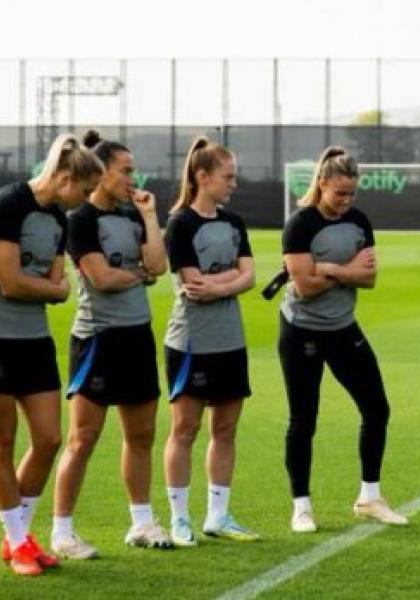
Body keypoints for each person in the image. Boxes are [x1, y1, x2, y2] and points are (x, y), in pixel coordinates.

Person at [0, 133, 101, 575]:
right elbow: (12, 284)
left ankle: (18, 536)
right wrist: (38, 284)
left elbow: (60, 288)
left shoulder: (58, 220)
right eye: (82, 191)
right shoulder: (8, 204)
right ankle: (17, 540)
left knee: (48, 439)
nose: (83, 201)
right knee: (2, 442)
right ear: (65, 177)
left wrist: (36, 283)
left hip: (34, 339)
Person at [50, 130, 172, 558]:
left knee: (141, 435)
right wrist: (139, 273)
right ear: (101, 173)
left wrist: (151, 217)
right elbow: (102, 280)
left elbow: (159, 264)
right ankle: (62, 532)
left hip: (137, 335)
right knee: (83, 438)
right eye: (126, 170)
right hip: (97, 340)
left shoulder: (134, 213)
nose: (133, 177)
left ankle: (142, 522)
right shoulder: (81, 219)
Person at [279, 146, 405, 533]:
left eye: (352, 193)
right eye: (339, 193)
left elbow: (369, 278)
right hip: (301, 331)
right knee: (304, 419)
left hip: (342, 327)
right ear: (322, 184)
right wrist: (342, 268)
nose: (346, 201)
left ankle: (370, 496)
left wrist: (331, 268)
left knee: (377, 409)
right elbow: (304, 285)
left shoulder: (359, 222)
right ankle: (301, 506)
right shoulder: (300, 224)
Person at [161, 136, 259, 546]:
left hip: (229, 340)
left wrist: (220, 285)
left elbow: (249, 276)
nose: (234, 183)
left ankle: (218, 515)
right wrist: (229, 281)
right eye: (228, 176)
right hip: (191, 342)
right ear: (202, 176)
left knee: (227, 428)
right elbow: (191, 282)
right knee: (185, 430)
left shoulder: (234, 222)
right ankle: (180, 518)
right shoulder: (180, 223)